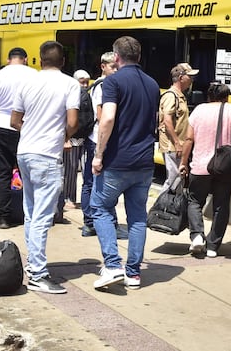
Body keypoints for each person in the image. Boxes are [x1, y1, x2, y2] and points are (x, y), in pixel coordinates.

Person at [11, 40, 80, 295]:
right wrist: (61, 136)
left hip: (25, 151)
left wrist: (31, 130)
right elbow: (72, 120)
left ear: (39, 61)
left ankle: (33, 265)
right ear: (63, 62)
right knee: (42, 216)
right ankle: (38, 273)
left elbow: (14, 120)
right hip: (47, 155)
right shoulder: (70, 83)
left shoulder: (26, 82)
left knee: (31, 212)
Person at [91, 36, 159, 290]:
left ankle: (112, 265)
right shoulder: (153, 84)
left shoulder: (113, 82)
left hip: (117, 161)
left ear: (116, 58)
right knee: (138, 217)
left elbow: (107, 119)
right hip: (144, 162)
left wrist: (98, 155)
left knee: (99, 208)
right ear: (139, 56)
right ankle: (133, 272)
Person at [180, 82, 231, 258]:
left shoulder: (199, 110)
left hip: (200, 165)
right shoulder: (230, 109)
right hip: (223, 166)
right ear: (226, 97)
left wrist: (183, 162)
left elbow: (189, 139)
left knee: (195, 201)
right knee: (221, 205)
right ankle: (213, 246)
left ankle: (197, 236)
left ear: (209, 96)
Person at [0, 47, 37, 229]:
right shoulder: (33, 75)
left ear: (8, 59)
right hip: (26, 127)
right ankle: (27, 214)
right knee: (26, 173)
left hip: (2, 127)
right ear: (26, 59)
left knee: (3, 173)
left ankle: (4, 217)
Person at [81, 52, 118, 237]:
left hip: (99, 138)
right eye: (113, 66)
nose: (116, 70)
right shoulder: (102, 86)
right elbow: (101, 115)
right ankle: (90, 222)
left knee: (98, 180)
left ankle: (96, 220)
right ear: (103, 66)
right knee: (91, 180)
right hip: (97, 138)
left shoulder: (107, 85)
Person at [55, 69, 91, 223]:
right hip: (72, 138)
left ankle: (79, 198)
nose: (85, 84)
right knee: (69, 170)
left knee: (85, 169)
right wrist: (65, 138)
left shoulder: (88, 95)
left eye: (86, 81)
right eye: (82, 81)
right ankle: (69, 198)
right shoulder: (70, 94)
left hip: (85, 137)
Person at [157, 62, 198, 193]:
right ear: (181, 78)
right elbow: (167, 120)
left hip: (179, 144)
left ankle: (171, 208)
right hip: (172, 145)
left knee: (178, 178)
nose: (192, 80)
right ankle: (160, 208)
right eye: (189, 77)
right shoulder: (171, 95)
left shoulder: (181, 96)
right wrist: (177, 142)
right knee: (173, 179)